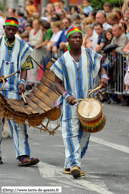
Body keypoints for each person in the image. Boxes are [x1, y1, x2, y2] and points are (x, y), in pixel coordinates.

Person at [50, 27, 108, 178]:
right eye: (74, 37)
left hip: (88, 104)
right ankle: (75, 164)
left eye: (79, 37)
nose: (77, 39)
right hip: (70, 104)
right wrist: (66, 95)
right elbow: (57, 82)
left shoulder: (89, 54)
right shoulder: (63, 59)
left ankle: (69, 165)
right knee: (70, 134)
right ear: (67, 40)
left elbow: (102, 68)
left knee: (85, 136)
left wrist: (104, 78)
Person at [0, 17, 39, 166]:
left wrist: (22, 82)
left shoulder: (23, 46)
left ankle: (23, 156)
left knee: (18, 123)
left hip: (15, 93)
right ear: (4, 28)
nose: (10, 32)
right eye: (8, 29)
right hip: (0, 92)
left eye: (13, 30)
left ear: (17, 30)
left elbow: (25, 67)